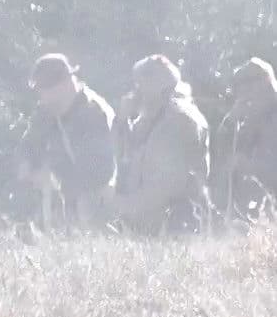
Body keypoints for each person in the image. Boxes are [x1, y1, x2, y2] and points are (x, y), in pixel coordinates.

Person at [15, 52, 117, 230]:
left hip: (96, 195)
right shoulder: (46, 111)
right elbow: (29, 144)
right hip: (61, 192)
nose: (41, 95)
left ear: (64, 84)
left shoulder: (94, 113)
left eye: (45, 88)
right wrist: (28, 169)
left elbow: (98, 172)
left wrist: (55, 181)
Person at [114, 54, 211, 234]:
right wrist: (122, 121)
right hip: (147, 221)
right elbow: (123, 158)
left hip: (176, 224)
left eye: (141, 83)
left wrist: (126, 206)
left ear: (160, 86)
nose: (136, 91)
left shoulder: (181, 120)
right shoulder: (149, 118)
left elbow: (167, 184)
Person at [215, 56, 277, 220]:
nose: (243, 93)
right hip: (253, 210)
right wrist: (230, 121)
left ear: (265, 82)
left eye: (249, 85)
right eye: (240, 87)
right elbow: (222, 151)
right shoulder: (250, 116)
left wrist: (252, 167)